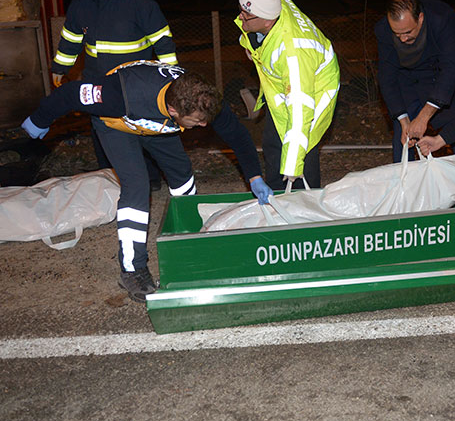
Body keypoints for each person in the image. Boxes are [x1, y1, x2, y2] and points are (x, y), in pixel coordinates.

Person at [22, 61, 272, 303]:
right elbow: (69, 93)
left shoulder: (202, 99)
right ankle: (132, 270)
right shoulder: (117, 95)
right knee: (137, 187)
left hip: (157, 124)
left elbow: (237, 135)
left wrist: (254, 176)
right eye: (197, 122)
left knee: (182, 174)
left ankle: (185, 240)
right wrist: (39, 120)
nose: (204, 125)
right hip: (118, 124)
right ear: (175, 110)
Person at [51, 0, 178, 190]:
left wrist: (171, 75)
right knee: (104, 133)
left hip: (135, 86)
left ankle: (149, 180)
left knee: (141, 131)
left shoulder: (139, 3)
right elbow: (70, 41)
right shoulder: (81, 5)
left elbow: (162, 41)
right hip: (98, 83)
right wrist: (60, 68)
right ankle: (109, 179)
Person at [234, 0, 340, 190]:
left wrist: (292, 165)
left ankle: (306, 207)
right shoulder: (274, 3)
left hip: (314, 90)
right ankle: (276, 194)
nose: (240, 17)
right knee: (274, 141)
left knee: (301, 150)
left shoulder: (293, 54)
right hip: (286, 85)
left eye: (246, 15)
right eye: (241, 10)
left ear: (266, 20)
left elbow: (301, 111)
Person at [375, 0, 455, 161]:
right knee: (404, 137)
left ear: (420, 18)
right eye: (397, 34)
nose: (403, 39)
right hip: (410, 81)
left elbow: (451, 67)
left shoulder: (442, 19)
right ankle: (405, 183)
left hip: (446, 79)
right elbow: (387, 77)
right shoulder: (383, 30)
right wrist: (403, 118)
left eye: (407, 32)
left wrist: (424, 117)